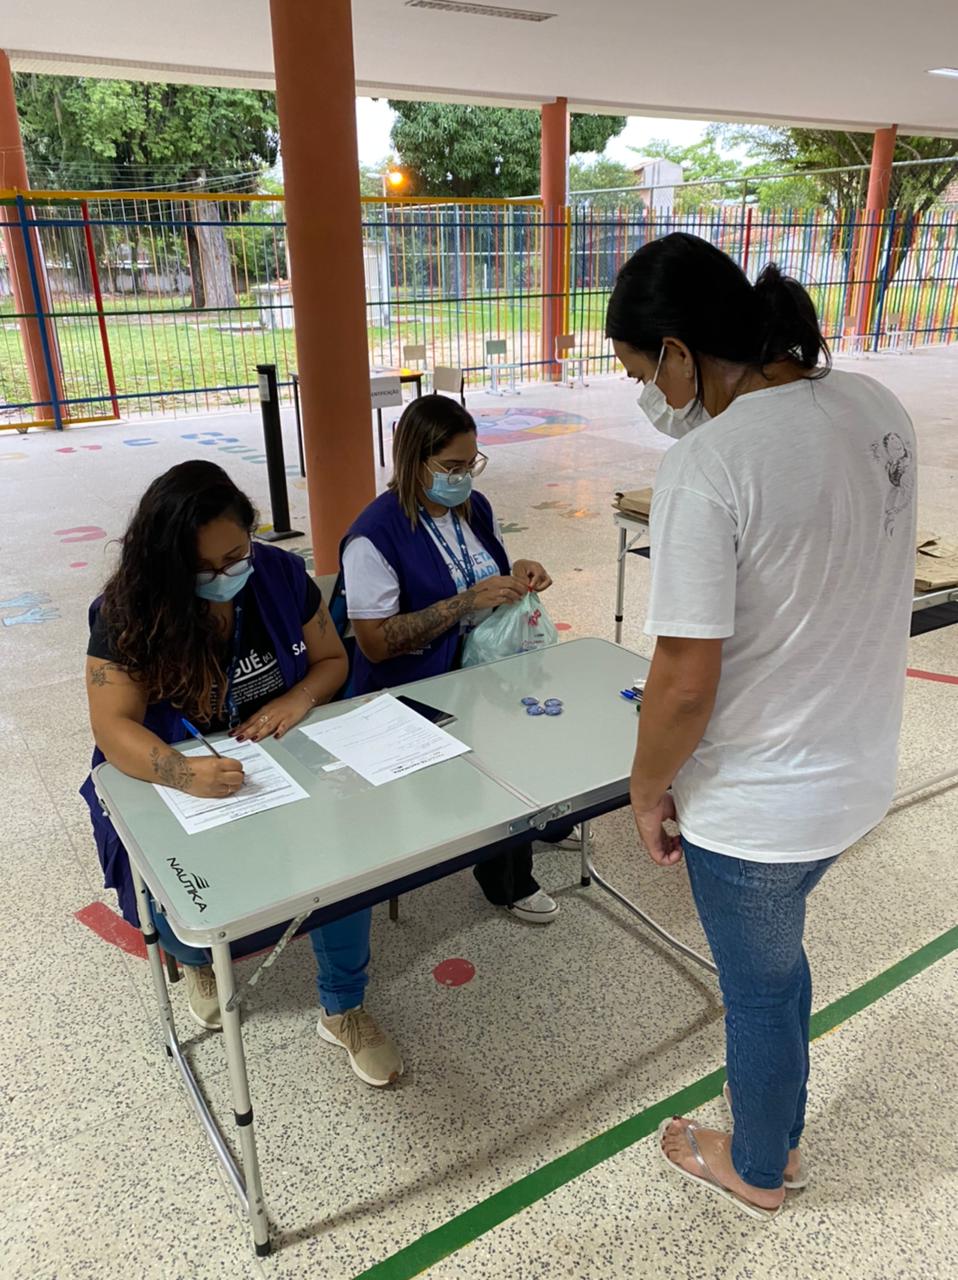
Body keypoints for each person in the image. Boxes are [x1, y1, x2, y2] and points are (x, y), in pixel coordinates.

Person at [605, 233, 916, 1219]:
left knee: (756, 990)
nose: (650, 398)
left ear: (678, 352)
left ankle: (757, 1165)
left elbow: (682, 681)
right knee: (776, 968)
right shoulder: (874, 405)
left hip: (758, 807)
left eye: (641, 374)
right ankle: (779, 1125)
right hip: (857, 771)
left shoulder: (711, 462)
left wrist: (646, 789)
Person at [81, 460, 403, 1087]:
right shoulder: (126, 611)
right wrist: (182, 772)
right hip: (174, 776)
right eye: (203, 569)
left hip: (280, 757)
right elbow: (113, 726)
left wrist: (297, 698)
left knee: (343, 862)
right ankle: (196, 962)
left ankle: (344, 1006)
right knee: (190, 919)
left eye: (236, 556)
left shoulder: (278, 574)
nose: (227, 575)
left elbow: (332, 660)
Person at [341, 394, 575, 923]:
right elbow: (375, 643)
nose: (463, 477)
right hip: (415, 685)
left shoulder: (473, 508)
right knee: (494, 757)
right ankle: (507, 878)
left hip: (484, 664)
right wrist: (465, 602)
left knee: (533, 730)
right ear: (413, 461)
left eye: (471, 464)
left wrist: (519, 572)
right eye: (451, 467)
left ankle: (543, 822)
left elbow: (484, 569)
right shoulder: (375, 536)